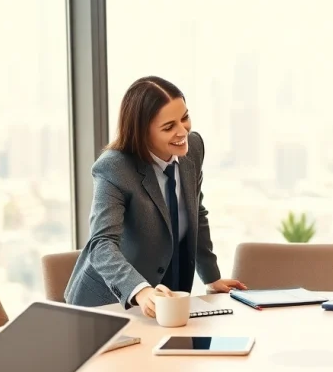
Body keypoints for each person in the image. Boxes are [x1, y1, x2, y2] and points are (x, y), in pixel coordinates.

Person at [64, 76, 246, 316]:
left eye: (184, 118)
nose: (183, 131)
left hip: (167, 298)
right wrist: (140, 291)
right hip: (109, 304)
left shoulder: (193, 150)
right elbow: (101, 244)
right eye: (169, 127)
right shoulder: (114, 168)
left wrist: (211, 277)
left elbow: (195, 214)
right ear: (142, 132)